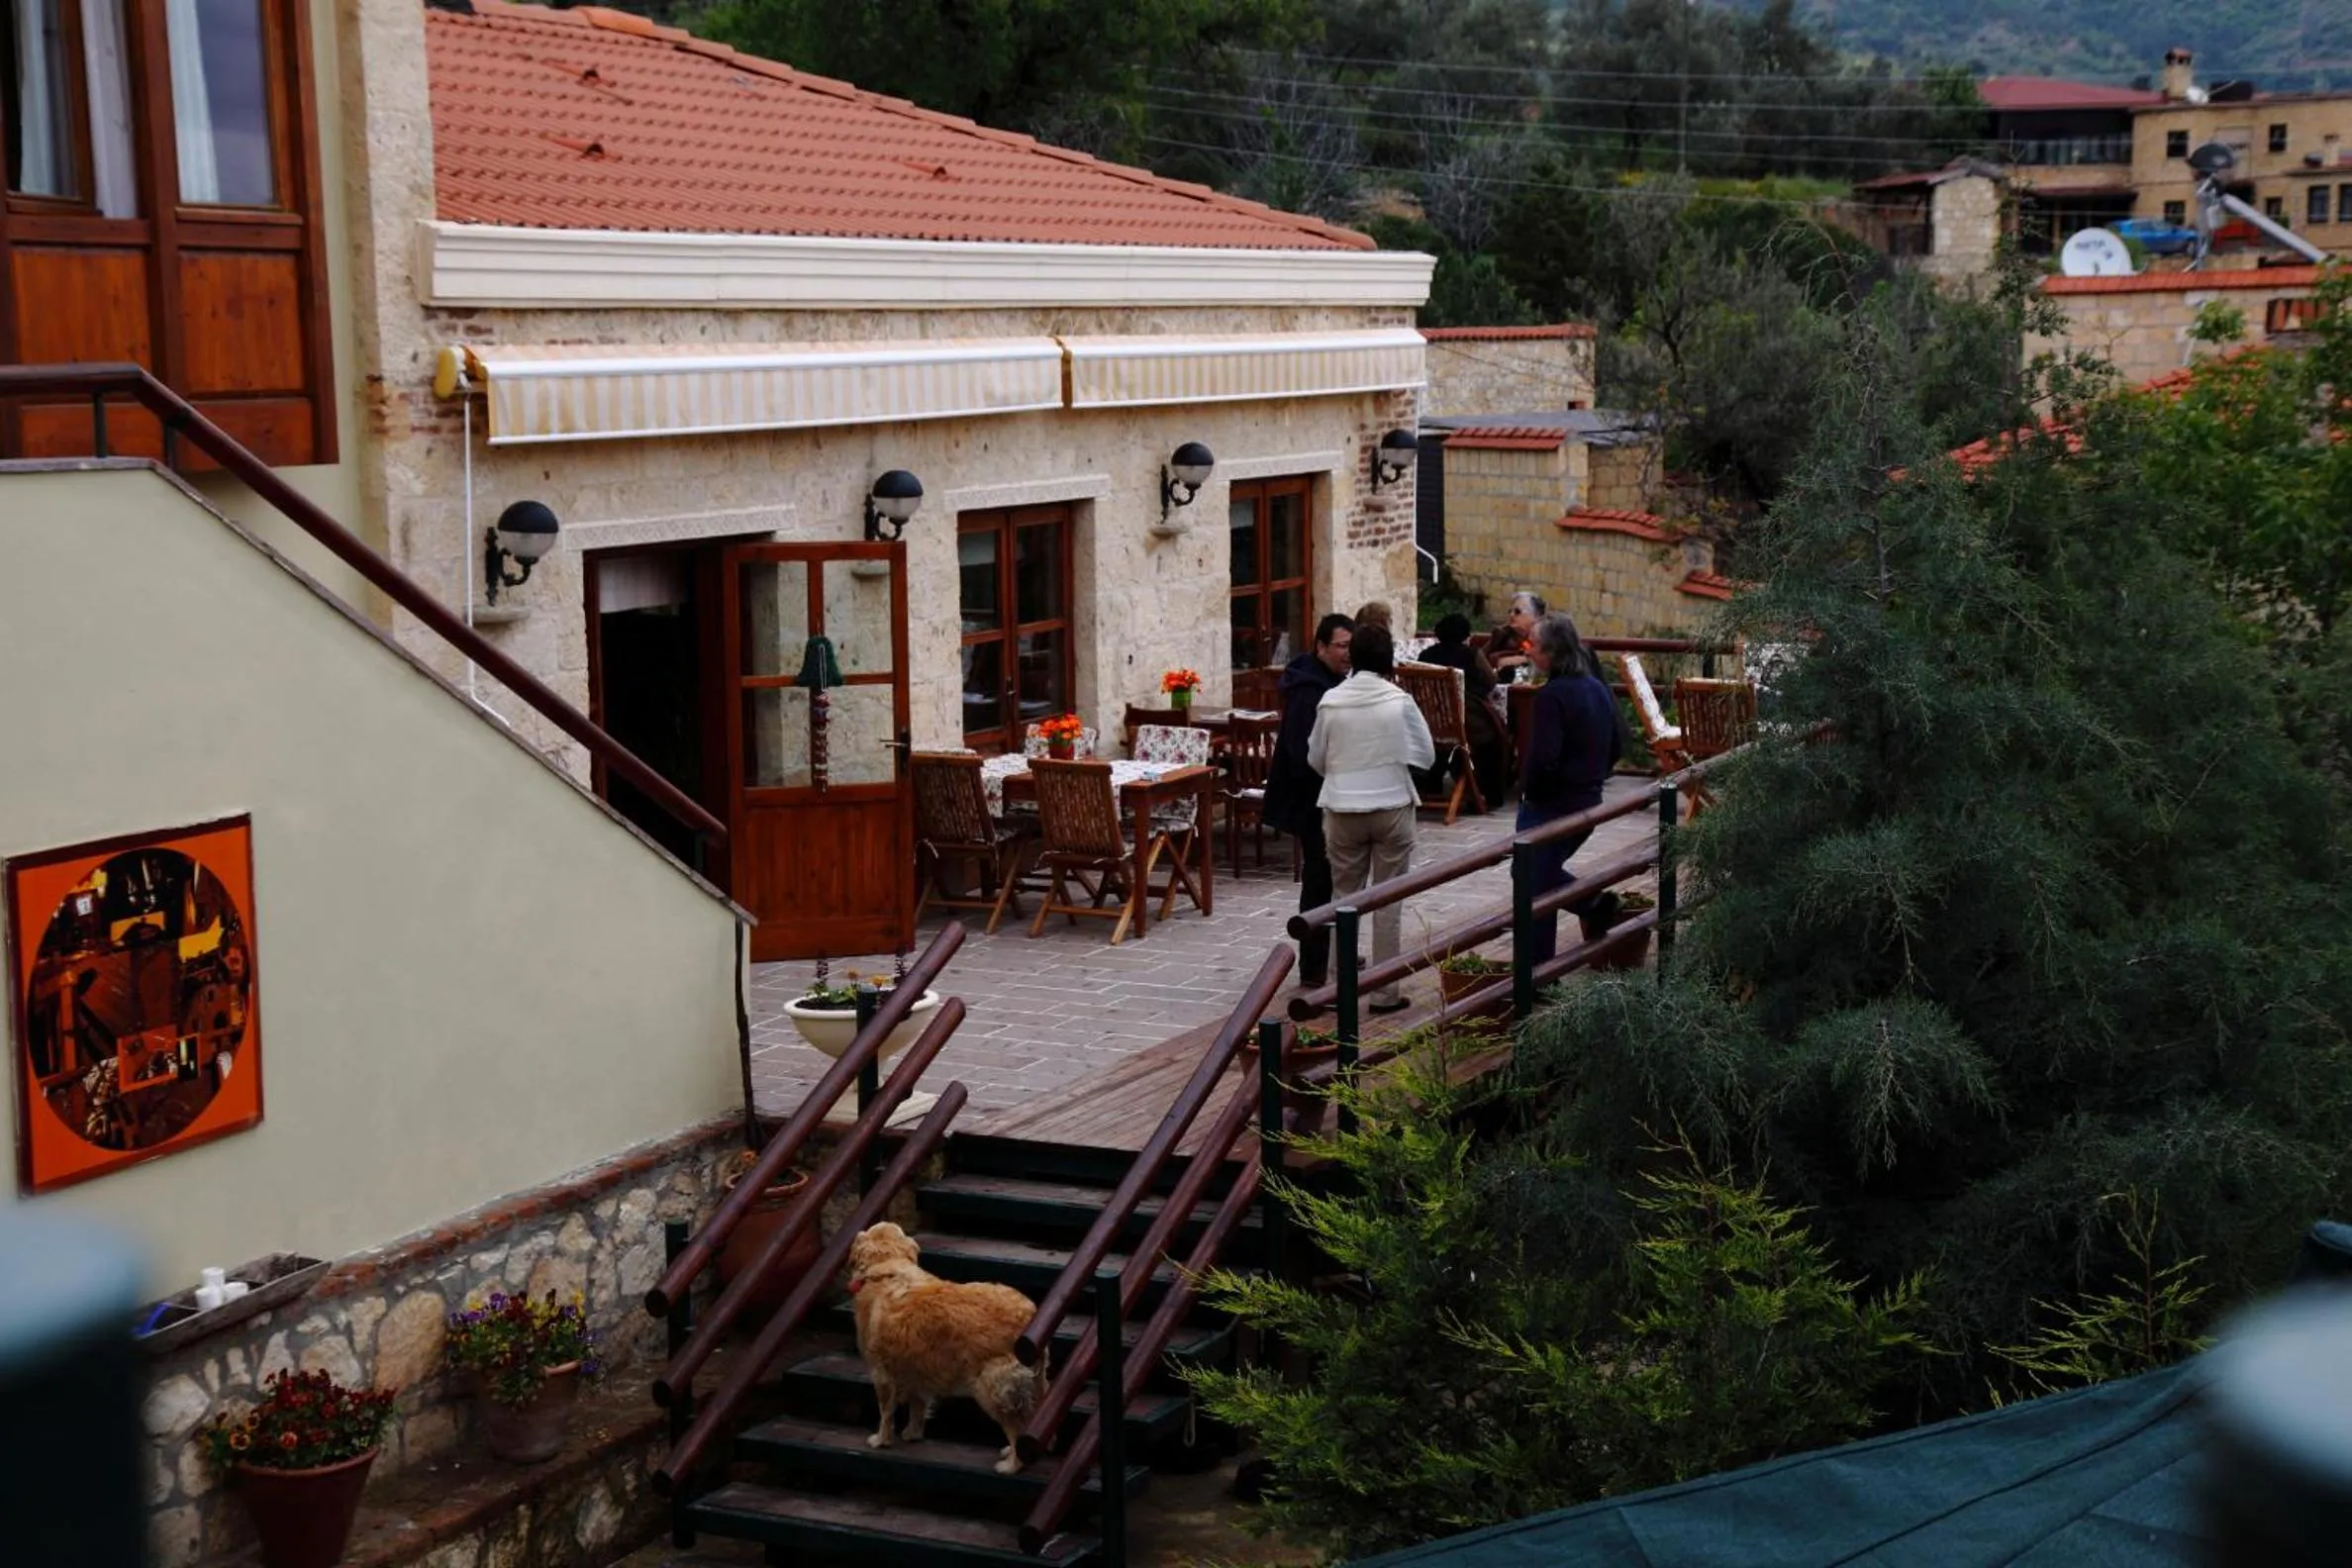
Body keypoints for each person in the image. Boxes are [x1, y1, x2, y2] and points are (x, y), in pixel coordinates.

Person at [1307, 625, 1434, 1013]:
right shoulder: (1399, 701)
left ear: (1354, 657)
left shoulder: (1331, 701)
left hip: (1342, 807)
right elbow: (1426, 756)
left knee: (1342, 899)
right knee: (1387, 903)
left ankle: (1337, 990)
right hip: (1391, 805)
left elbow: (1315, 758)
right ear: (1387, 659)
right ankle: (1384, 993)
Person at [1517, 612, 1623, 965]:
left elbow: (1543, 759)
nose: (1527, 651)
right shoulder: (1595, 687)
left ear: (1552, 652)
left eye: (1533, 645)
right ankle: (1543, 963)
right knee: (1537, 875)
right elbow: (1617, 744)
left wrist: (1530, 789)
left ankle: (1537, 969)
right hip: (1587, 800)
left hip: (1551, 806)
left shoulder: (1552, 697)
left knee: (1532, 875)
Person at [1264, 614, 1352, 988]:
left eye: (1352, 646)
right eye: (1341, 646)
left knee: (1331, 878)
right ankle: (1312, 967)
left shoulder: (1331, 682)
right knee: (1319, 881)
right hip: (1311, 800)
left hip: (1326, 797)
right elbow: (1304, 753)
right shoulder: (1308, 692)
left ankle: (1330, 953)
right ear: (1320, 647)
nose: (1348, 654)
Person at [1414, 612, 1513, 805]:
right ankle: (1489, 792)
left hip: (1430, 722)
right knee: (1494, 735)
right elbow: (1491, 682)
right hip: (1466, 723)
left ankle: (1433, 781)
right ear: (1465, 635)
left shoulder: (1426, 655)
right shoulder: (1471, 654)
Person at [1487, 590, 1546, 678]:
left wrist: (1525, 660)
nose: (1511, 615)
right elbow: (1481, 660)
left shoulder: (1546, 638)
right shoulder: (1502, 633)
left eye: (1517, 612)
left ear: (1536, 616)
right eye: (1510, 611)